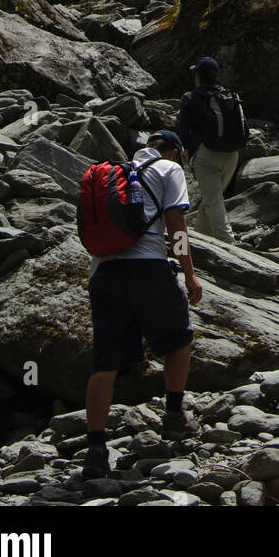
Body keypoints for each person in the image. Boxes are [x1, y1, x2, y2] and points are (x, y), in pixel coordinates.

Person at [82, 130, 202, 479]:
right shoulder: (170, 169)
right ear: (174, 153)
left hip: (103, 273)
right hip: (148, 267)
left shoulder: (113, 172)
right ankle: (175, 418)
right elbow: (176, 224)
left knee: (104, 363)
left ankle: (95, 450)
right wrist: (190, 274)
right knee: (180, 342)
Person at [178, 56, 247, 244]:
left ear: (198, 76)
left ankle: (230, 245)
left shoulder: (190, 97)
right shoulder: (230, 96)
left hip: (206, 156)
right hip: (232, 155)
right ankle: (199, 239)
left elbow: (183, 130)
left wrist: (189, 154)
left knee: (214, 201)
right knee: (212, 199)